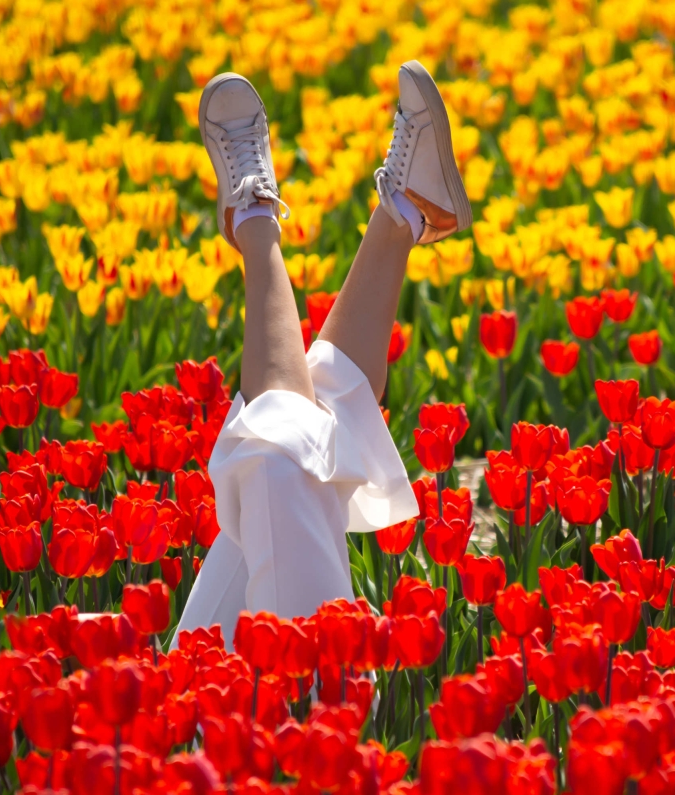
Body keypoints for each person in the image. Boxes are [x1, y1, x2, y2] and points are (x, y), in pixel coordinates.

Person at [175, 61, 471, 646]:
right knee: (278, 459)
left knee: (283, 453)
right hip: (303, 716)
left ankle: (301, 218)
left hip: (194, 713)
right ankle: (267, 221)